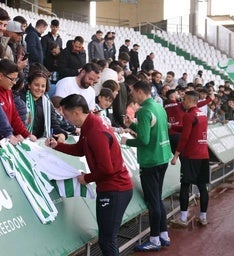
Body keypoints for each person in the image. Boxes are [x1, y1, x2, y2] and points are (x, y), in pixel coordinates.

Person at [46, 94, 133, 256]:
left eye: (66, 115)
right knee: (107, 238)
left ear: (77, 112)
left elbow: (106, 169)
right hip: (113, 188)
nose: (66, 120)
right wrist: (57, 146)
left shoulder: (96, 131)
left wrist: (86, 178)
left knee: (107, 240)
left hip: (115, 189)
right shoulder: (90, 125)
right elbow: (80, 149)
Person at [121, 80, 172, 251]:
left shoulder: (143, 111)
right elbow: (151, 129)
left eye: (132, 92)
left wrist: (126, 141)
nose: (131, 95)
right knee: (158, 198)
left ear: (139, 91)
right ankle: (163, 235)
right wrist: (132, 124)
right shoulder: (158, 107)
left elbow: (143, 139)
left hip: (150, 161)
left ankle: (155, 239)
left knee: (153, 202)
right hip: (163, 157)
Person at [170, 91, 210, 227]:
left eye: (185, 100)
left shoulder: (188, 115)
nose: (183, 102)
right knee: (202, 186)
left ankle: (182, 218)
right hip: (203, 155)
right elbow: (189, 130)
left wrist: (176, 155)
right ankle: (203, 217)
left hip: (190, 156)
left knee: (185, 185)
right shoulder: (202, 115)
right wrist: (172, 126)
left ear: (192, 101)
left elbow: (185, 138)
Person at [0, 59, 36, 141]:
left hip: (5, 138)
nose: (15, 83)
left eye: (16, 79)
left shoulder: (8, 91)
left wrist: (26, 134)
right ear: (1, 76)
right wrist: (9, 135)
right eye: (12, 79)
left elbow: (14, 116)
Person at [20, 66, 67, 142]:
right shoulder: (20, 99)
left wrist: (62, 134)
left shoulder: (47, 103)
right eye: (36, 85)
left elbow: (54, 124)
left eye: (43, 86)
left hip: (38, 142)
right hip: (22, 140)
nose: (40, 88)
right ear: (29, 85)